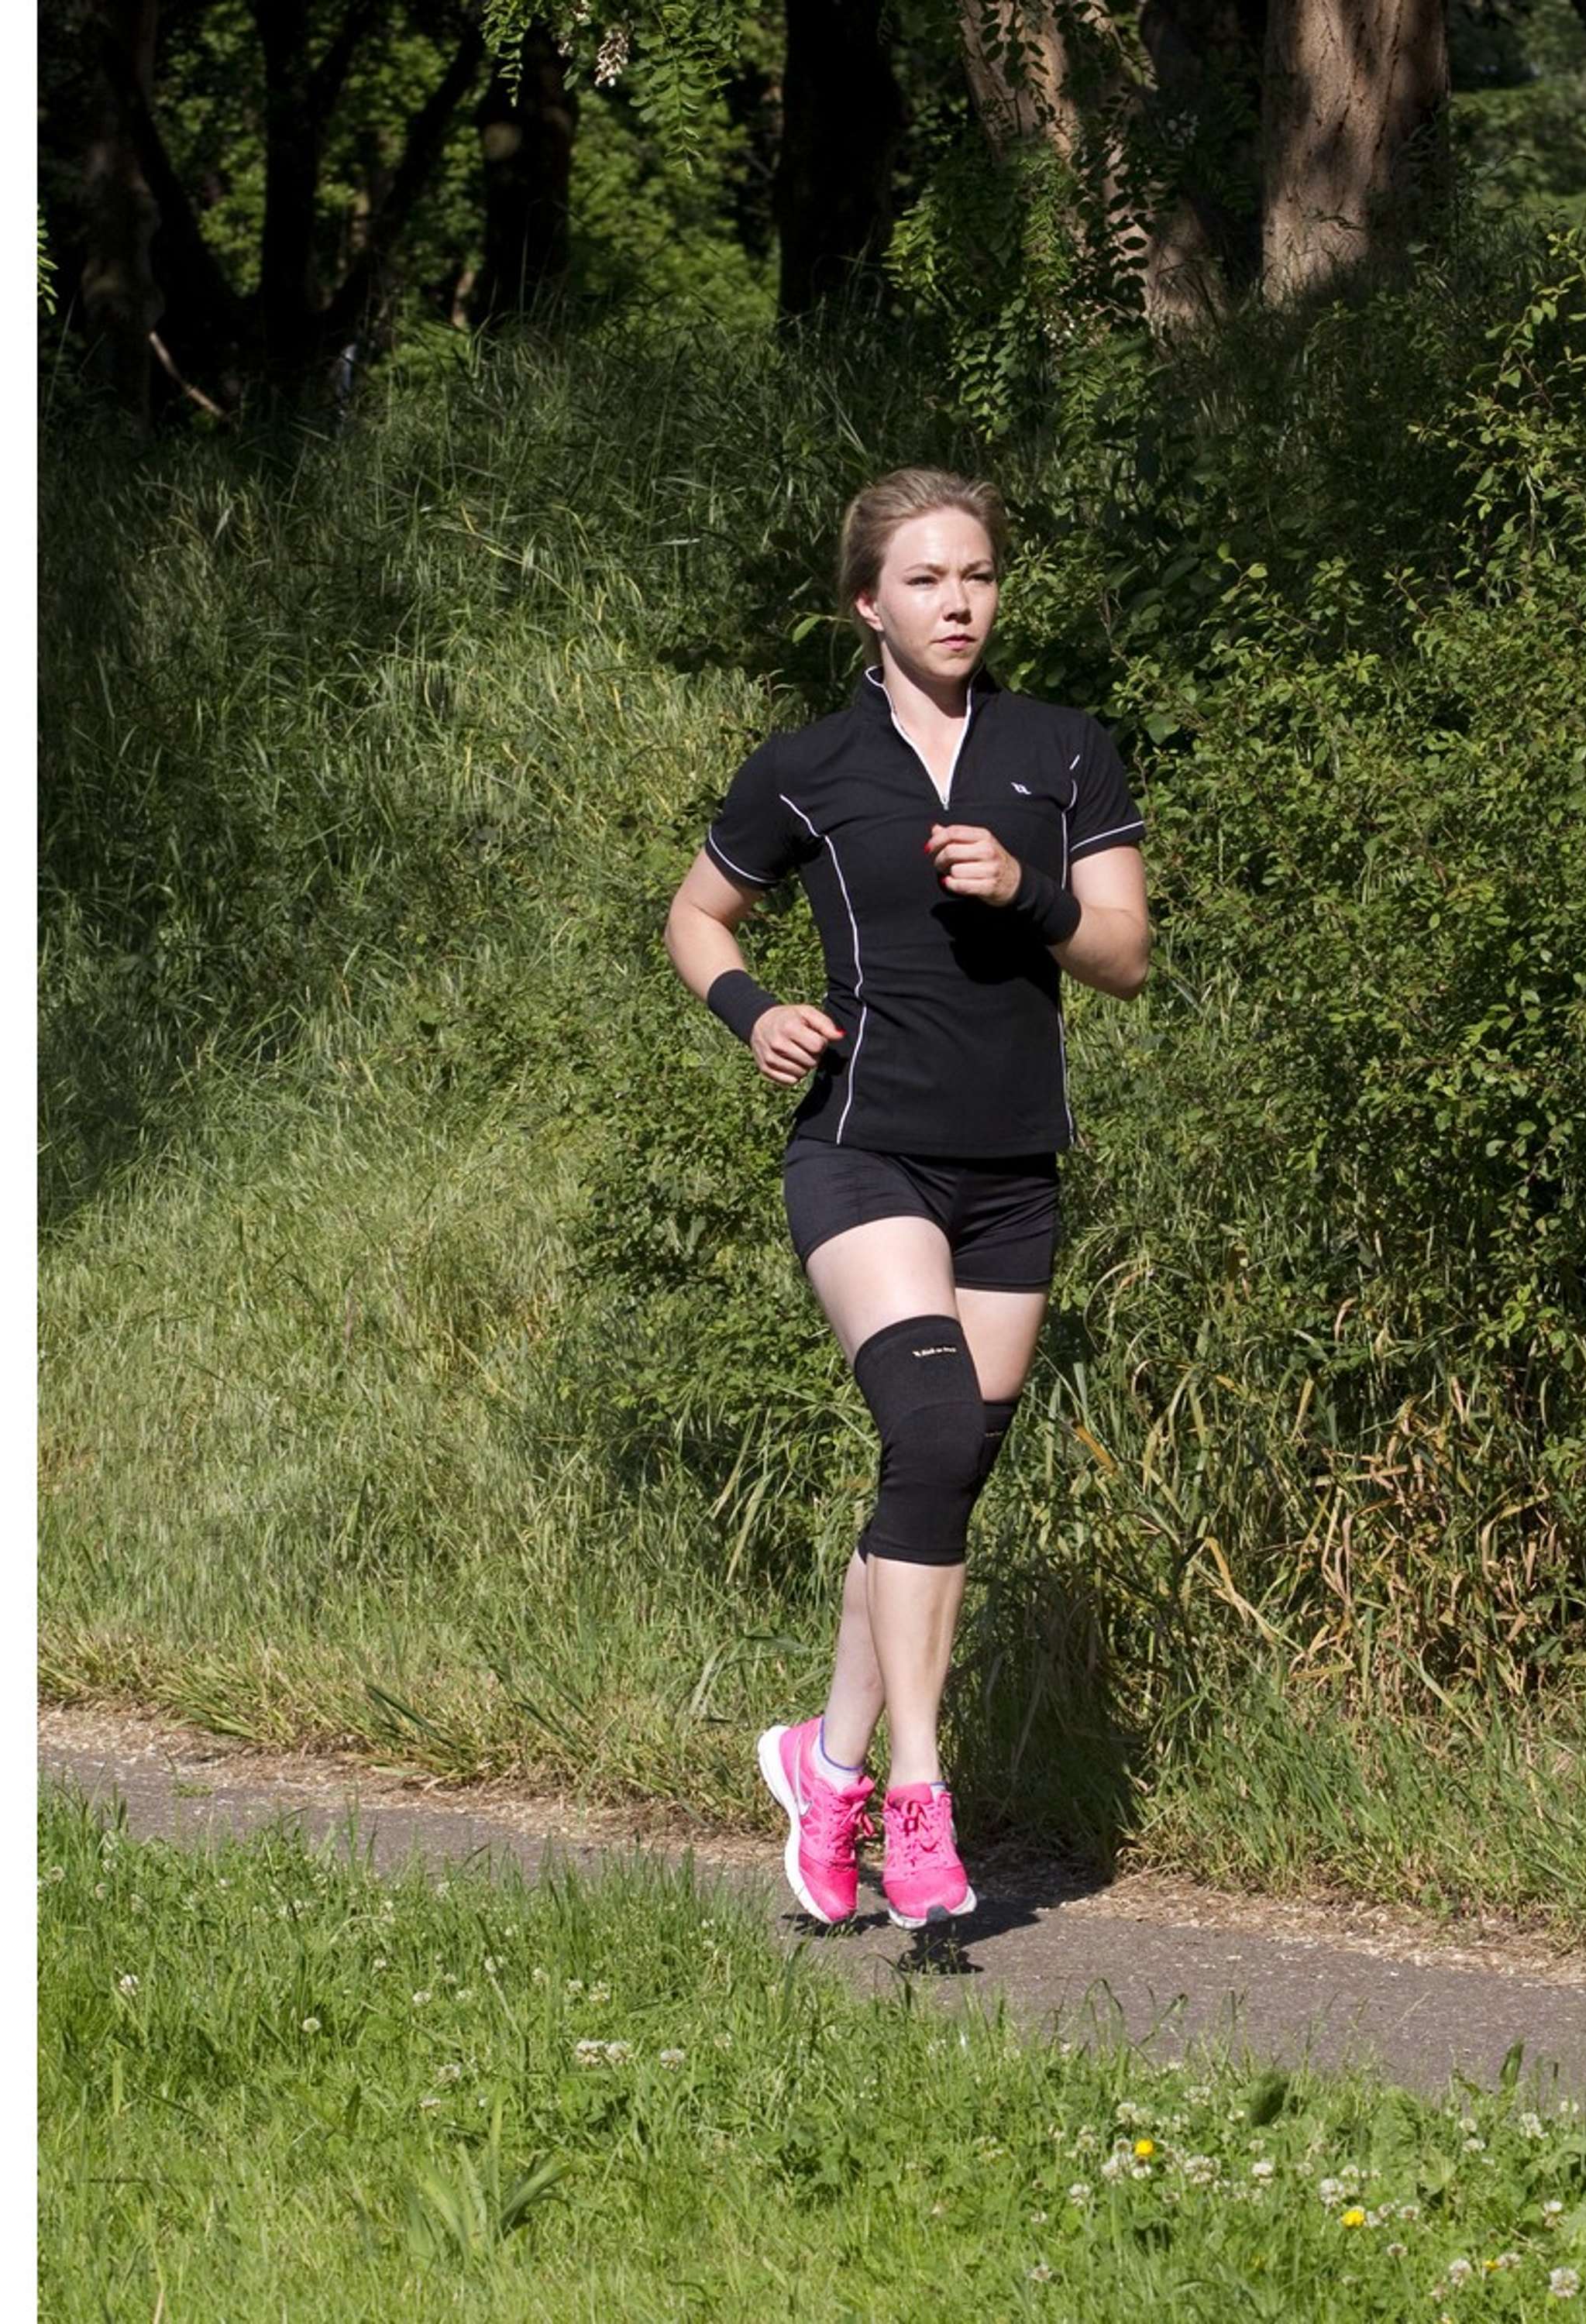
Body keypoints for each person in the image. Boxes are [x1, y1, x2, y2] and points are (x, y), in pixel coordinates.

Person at [663, 468, 1150, 1930]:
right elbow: (697, 913)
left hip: (1012, 1173)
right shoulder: (808, 767)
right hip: (862, 1147)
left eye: (979, 575)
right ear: (867, 604)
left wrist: (1028, 890)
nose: (959, 602)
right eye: (927, 580)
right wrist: (752, 1009)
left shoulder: (1064, 750)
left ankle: (826, 1764)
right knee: (929, 1430)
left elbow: (1125, 955)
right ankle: (920, 1797)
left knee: (939, 1478)